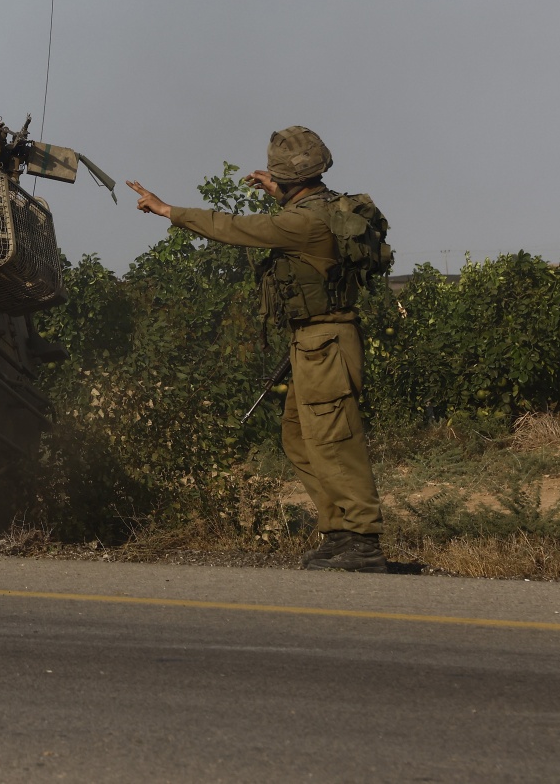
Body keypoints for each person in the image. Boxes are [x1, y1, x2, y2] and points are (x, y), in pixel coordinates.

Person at [125, 127, 388, 574]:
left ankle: (363, 540)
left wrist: (169, 210)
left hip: (324, 342)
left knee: (334, 441)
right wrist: (280, 190)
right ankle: (340, 530)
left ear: (289, 179)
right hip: (313, 341)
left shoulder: (302, 223)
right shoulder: (323, 206)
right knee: (300, 438)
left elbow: (233, 227)